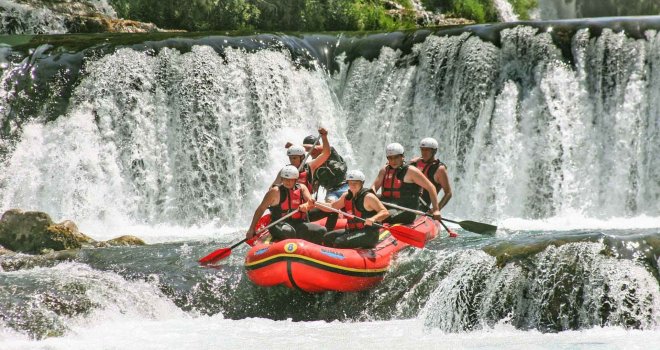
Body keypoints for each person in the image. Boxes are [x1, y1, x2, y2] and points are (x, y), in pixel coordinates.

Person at [246, 165, 326, 244]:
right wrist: (251, 229)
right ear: (282, 179)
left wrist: (306, 205)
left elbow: (311, 202)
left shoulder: (302, 188)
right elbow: (261, 209)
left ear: (295, 180)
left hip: (298, 223)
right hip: (278, 224)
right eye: (285, 179)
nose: (288, 182)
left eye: (291, 180)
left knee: (321, 231)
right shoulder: (275, 192)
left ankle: (310, 250)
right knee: (289, 232)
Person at [371, 143, 441, 225]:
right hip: (388, 205)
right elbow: (373, 188)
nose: (393, 161)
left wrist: (436, 210)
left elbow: (431, 187)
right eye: (390, 158)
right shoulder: (384, 170)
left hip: (406, 210)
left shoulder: (411, 171)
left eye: (396, 157)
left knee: (381, 216)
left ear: (402, 156)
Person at [318, 170, 389, 249]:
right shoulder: (346, 196)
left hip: (368, 233)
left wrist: (373, 219)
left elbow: (385, 212)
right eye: (350, 183)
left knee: (339, 241)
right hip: (353, 230)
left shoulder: (368, 197)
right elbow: (332, 206)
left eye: (356, 183)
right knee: (328, 237)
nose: (353, 185)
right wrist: (315, 203)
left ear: (362, 183)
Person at [273, 128, 331, 192]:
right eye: (290, 158)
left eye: (294, 158)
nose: (292, 161)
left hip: (306, 200)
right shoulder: (285, 171)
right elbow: (273, 188)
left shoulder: (310, 167)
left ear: (302, 157)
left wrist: (324, 137)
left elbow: (326, 153)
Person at [301, 133, 348, 202]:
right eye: (309, 150)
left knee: (350, 201)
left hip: (345, 186)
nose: (311, 151)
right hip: (332, 192)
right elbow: (313, 188)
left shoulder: (330, 151)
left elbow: (316, 148)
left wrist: (297, 146)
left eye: (312, 148)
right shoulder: (312, 166)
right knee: (330, 203)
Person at [410, 137, 452, 211]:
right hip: (406, 202)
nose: (424, 152)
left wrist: (436, 209)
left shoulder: (440, 169)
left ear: (434, 151)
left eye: (427, 150)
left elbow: (448, 193)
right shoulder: (415, 162)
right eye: (422, 150)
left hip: (422, 207)